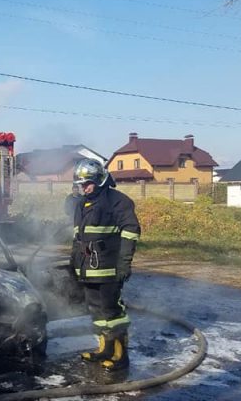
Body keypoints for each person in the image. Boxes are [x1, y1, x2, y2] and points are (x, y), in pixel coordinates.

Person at [71, 158, 140, 372]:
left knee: (112, 312)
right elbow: (78, 236)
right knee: (95, 310)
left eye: (87, 183)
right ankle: (104, 348)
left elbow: (131, 232)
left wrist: (124, 264)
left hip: (109, 267)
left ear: (100, 180)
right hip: (88, 267)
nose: (84, 188)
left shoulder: (117, 201)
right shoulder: (82, 203)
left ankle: (121, 355)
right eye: (81, 184)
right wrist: (74, 263)